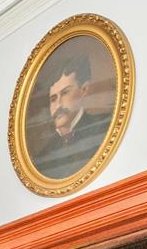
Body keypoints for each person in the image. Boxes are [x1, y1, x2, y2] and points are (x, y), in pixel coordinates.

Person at [31, 46, 110, 180]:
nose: (58, 105)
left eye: (65, 93)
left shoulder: (105, 127)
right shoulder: (42, 158)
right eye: (53, 98)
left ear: (83, 90)